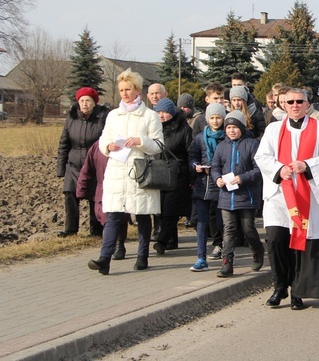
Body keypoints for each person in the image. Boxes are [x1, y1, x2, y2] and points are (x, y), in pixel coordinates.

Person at [255, 88, 319, 309]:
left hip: (306, 194)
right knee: (275, 240)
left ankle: (297, 293)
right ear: (284, 104)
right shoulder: (273, 129)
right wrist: (279, 169)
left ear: (307, 103)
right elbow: (261, 156)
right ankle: (280, 285)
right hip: (279, 196)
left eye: (299, 101)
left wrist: (308, 165)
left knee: (300, 245)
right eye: (290, 101)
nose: (294, 105)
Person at [87, 69, 164, 274]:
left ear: (137, 90)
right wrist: (108, 146)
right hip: (117, 170)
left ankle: (142, 255)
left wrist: (141, 141)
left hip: (140, 171)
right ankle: (105, 258)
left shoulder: (149, 116)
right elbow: (104, 138)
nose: (124, 93)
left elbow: (158, 145)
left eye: (128, 89)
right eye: (121, 90)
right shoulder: (113, 115)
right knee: (113, 215)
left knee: (142, 215)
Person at [211, 111, 265, 277]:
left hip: (246, 196)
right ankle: (227, 263)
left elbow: (258, 169)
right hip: (227, 196)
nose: (231, 131)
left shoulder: (251, 144)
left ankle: (257, 250)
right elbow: (215, 167)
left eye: (234, 127)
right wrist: (217, 179)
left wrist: (242, 178)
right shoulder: (222, 146)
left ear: (241, 128)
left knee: (248, 228)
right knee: (229, 230)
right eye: (228, 127)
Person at [56, 87, 107, 237]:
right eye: (82, 101)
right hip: (73, 167)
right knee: (70, 196)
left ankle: (96, 230)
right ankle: (71, 230)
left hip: (94, 167)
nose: (85, 104)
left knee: (94, 198)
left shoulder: (102, 119)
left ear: (94, 103)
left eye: (88, 101)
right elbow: (63, 144)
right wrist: (61, 169)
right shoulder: (71, 119)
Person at [188, 103, 227, 271]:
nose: (215, 121)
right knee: (202, 223)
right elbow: (192, 156)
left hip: (221, 184)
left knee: (222, 222)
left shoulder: (227, 137)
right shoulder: (200, 138)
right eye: (212, 118)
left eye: (218, 117)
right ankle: (201, 257)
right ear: (207, 119)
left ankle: (226, 254)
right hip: (202, 184)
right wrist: (195, 165)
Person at [152, 98, 193, 255]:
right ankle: (171, 241)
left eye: (165, 112)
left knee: (170, 210)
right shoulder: (155, 129)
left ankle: (162, 242)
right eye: (158, 112)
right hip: (159, 173)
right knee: (161, 210)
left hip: (177, 175)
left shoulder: (184, 130)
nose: (161, 115)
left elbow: (191, 153)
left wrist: (190, 177)